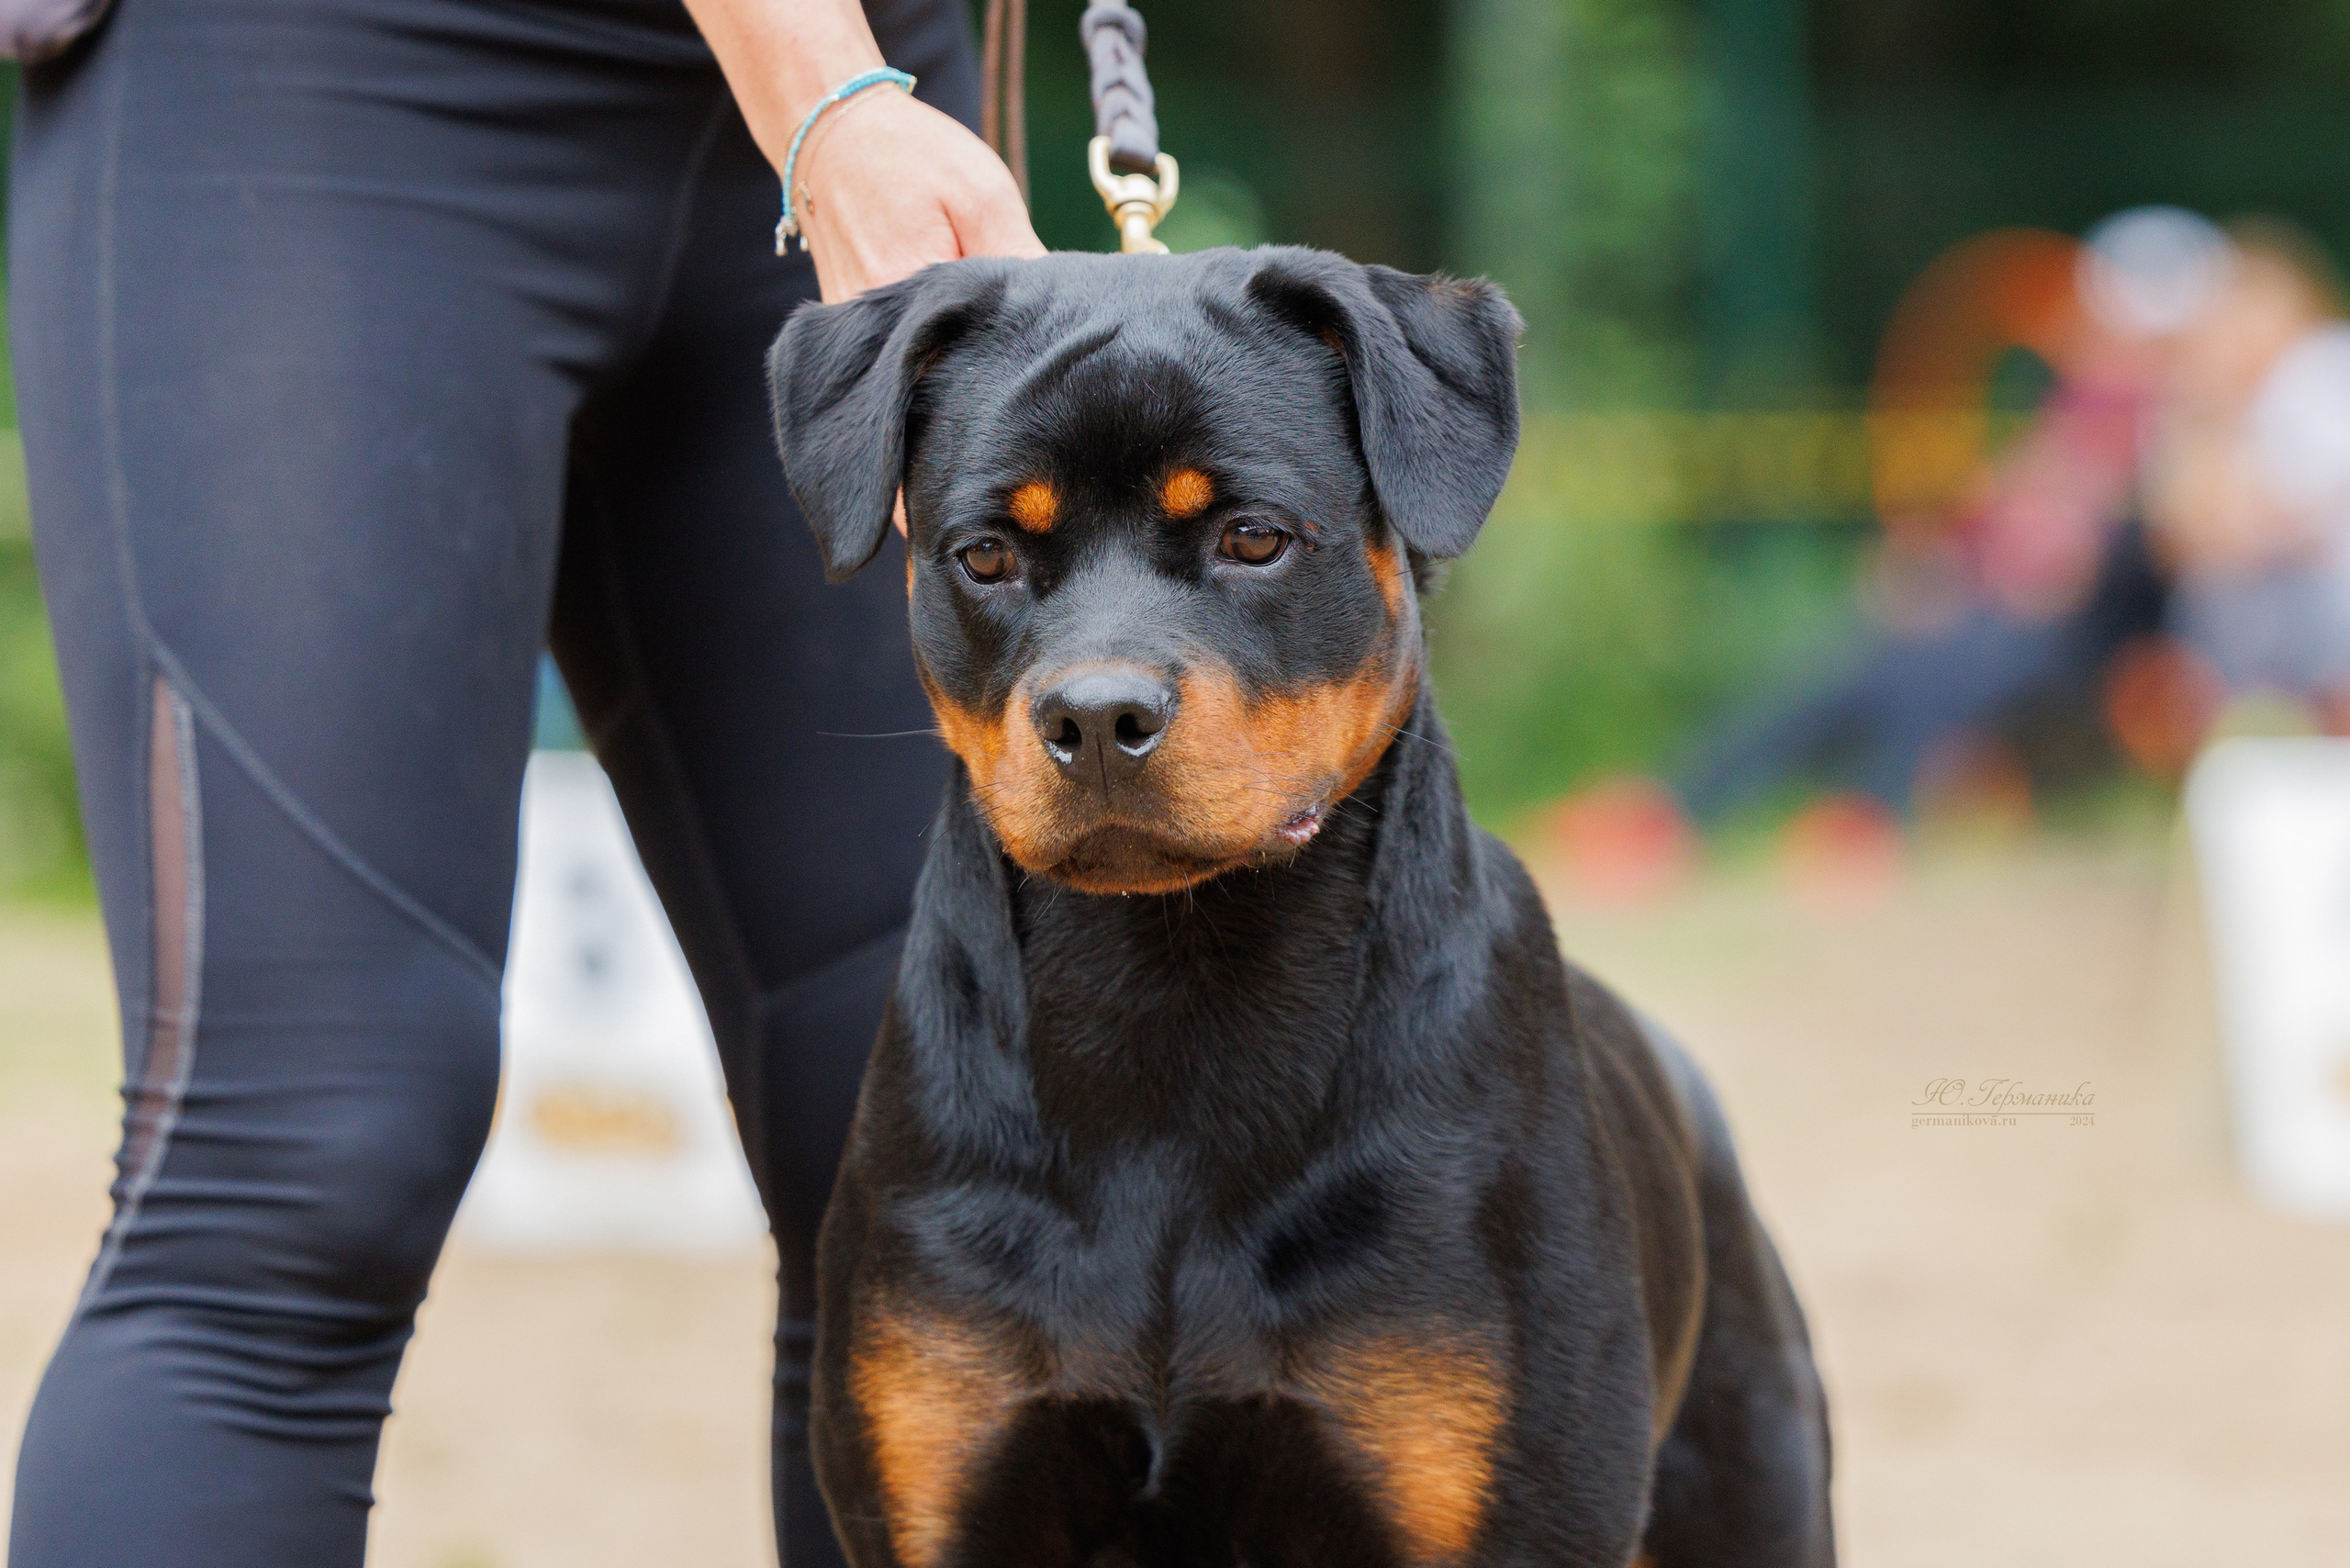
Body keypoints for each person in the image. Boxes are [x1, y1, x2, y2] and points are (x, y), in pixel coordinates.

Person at [5, 0, 1042, 1562]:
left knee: (956, 1161)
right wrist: (827, 104)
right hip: (322, 82)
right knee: (302, 1163)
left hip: (859, 72)